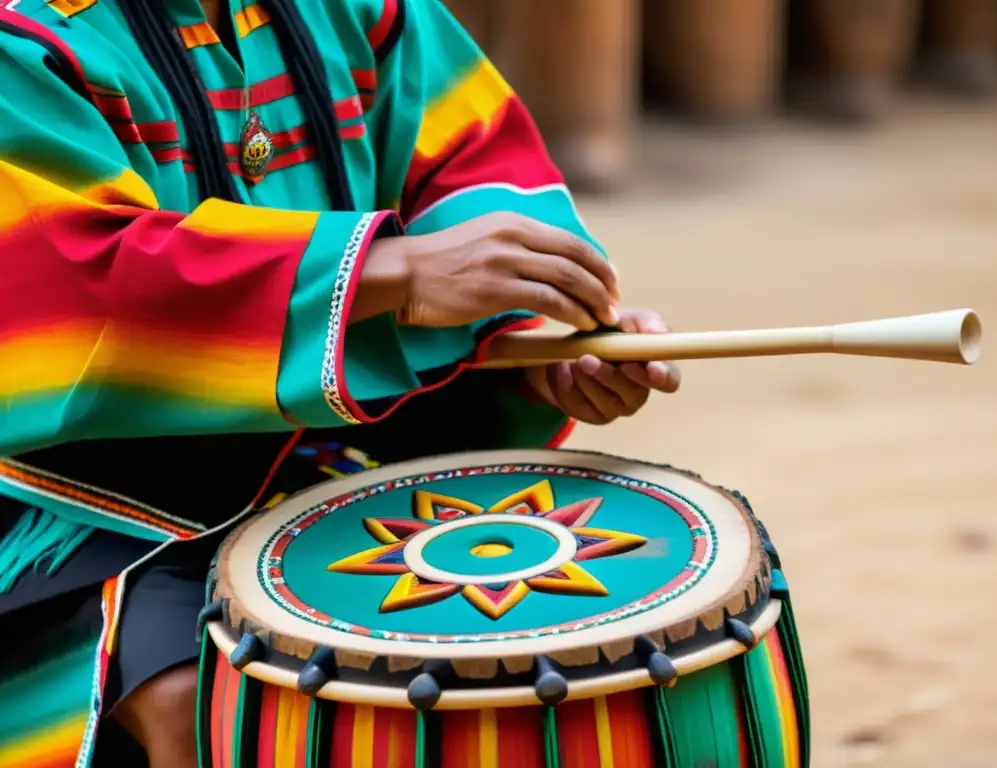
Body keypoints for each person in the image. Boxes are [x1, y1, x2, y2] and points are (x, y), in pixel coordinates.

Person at [0, 0, 680, 766]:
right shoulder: (27, 37)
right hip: (80, 491)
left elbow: (471, 166)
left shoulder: (367, 10)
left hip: (335, 443)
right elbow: (63, 280)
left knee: (544, 634)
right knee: (206, 701)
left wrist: (540, 335)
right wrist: (382, 270)